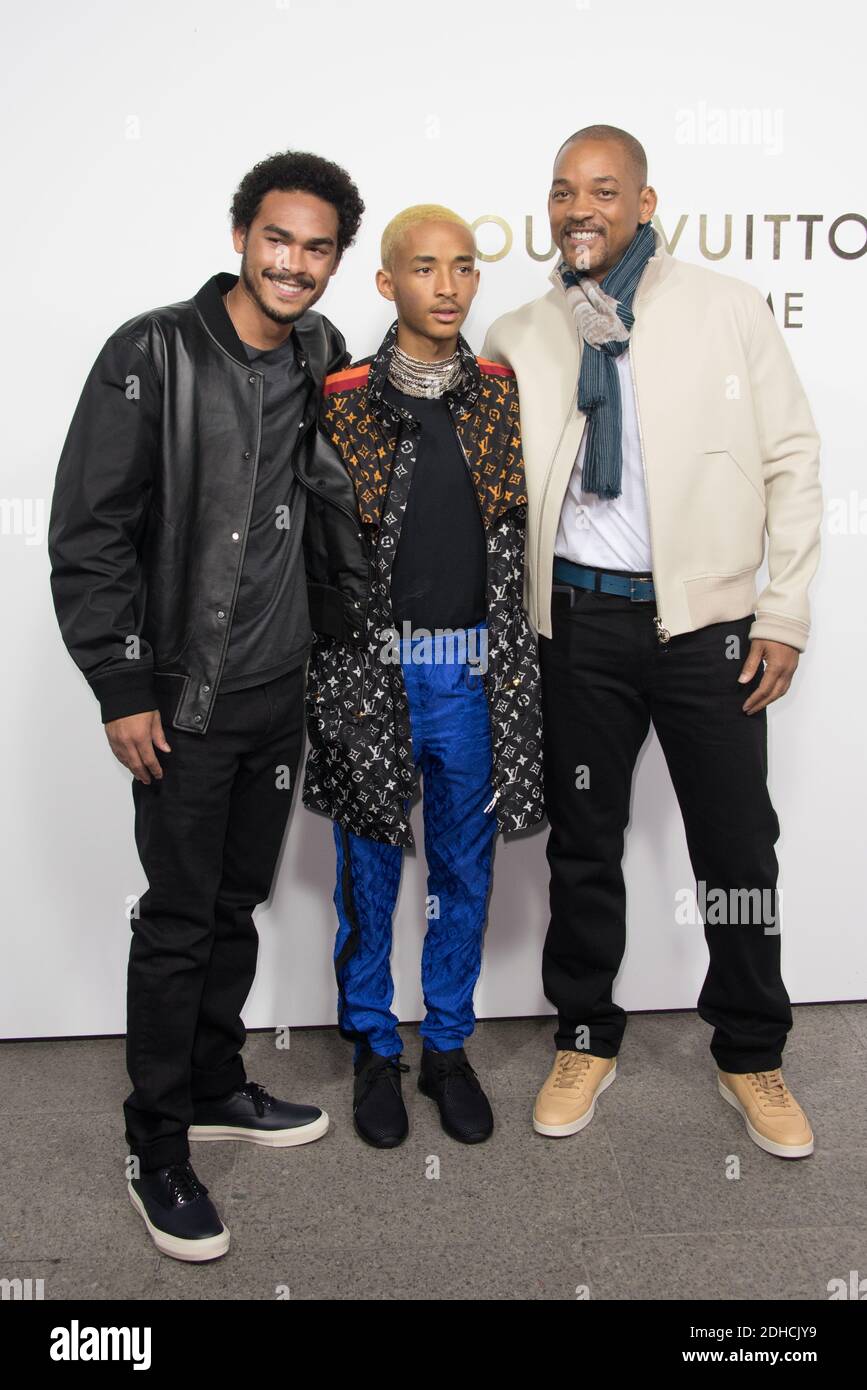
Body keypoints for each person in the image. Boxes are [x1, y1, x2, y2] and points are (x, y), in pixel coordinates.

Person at [483, 125, 822, 1158]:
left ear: (642, 201)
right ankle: (586, 1033)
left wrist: (784, 609)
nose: (579, 207)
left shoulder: (725, 308)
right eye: (561, 190)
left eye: (602, 189)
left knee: (737, 847)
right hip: (578, 626)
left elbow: (792, 459)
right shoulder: (521, 332)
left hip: (705, 631)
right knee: (585, 846)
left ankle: (749, 1051)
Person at [48, 150, 363, 1260]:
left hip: (282, 695)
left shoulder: (322, 353)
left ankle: (219, 1082)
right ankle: (156, 1144)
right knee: (178, 918)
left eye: (318, 247)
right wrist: (123, 686)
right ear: (241, 237)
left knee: (235, 900)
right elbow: (89, 533)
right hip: (184, 700)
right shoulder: (153, 353)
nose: (295, 263)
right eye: (278, 238)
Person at [300, 204, 544, 1148]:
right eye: (425, 268)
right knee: (365, 874)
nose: (448, 286)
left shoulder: (501, 393)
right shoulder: (343, 396)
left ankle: (445, 1046)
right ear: (386, 282)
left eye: (465, 267)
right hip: (367, 672)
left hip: (473, 675)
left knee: (462, 870)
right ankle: (371, 1046)